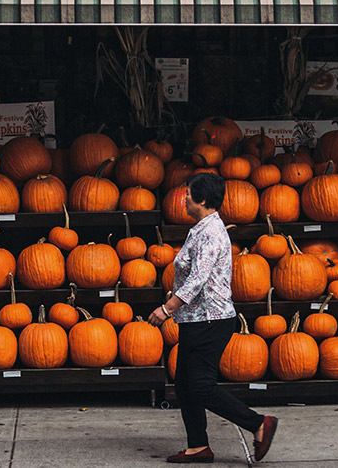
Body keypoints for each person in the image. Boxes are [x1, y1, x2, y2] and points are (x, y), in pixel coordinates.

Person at [148, 172, 278, 464]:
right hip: (197, 319)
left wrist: (167, 308)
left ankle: (258, 424)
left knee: (200, 385)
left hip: (210, 319)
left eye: (188, 194)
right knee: (184, 383)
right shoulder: (201, 228)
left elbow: (197, 279)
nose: (184, 198)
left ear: (202, 199)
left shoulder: (210, 232)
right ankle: (198, 446)